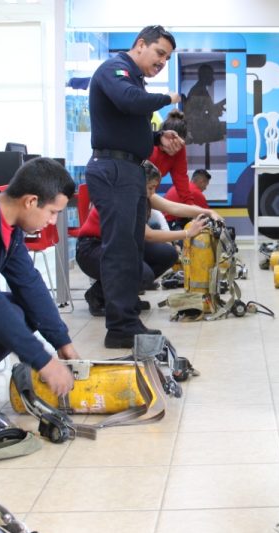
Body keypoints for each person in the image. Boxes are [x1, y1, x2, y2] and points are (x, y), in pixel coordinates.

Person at [86, 24, 183, 349]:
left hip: (128, 169)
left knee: (131, 250)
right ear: (140, 44)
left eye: (167, 58)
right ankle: (120, 327)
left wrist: (156, 137)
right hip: (113, 170)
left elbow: (125, 121)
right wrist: (168, 98)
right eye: (159, 54)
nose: (162, 62)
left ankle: (127, 320)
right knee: (120, 250)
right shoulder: (115, 69)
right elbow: (129, 101)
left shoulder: (134, 79)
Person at [0, 158, 77, 418]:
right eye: (52, 212)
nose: (52, 221)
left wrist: (62, 342)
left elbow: (29, 283)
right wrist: (43, 360)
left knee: (22, 309)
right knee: (6, 314)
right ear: (30, 201)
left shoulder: (7, 225)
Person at [77, 161, 218, 318]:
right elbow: (148, 234)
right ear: (137, 183)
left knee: (168, 254)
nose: (152, 193)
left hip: (118, 246)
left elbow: (174, 207)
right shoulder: (123, 198)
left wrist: (208, 212)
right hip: (91, 249)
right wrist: (187, 233)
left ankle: (126, 297)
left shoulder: (141, 194)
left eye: (154, 188)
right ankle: (97, 295)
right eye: (150, 187)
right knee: (144, 275)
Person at [150, 109, 194, 208]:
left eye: (179, 145)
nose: (175, 149)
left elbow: (181, 178)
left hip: (149, 194)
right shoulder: (150, 148)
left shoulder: (180, 150)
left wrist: (190, 206)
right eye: (173, 144)